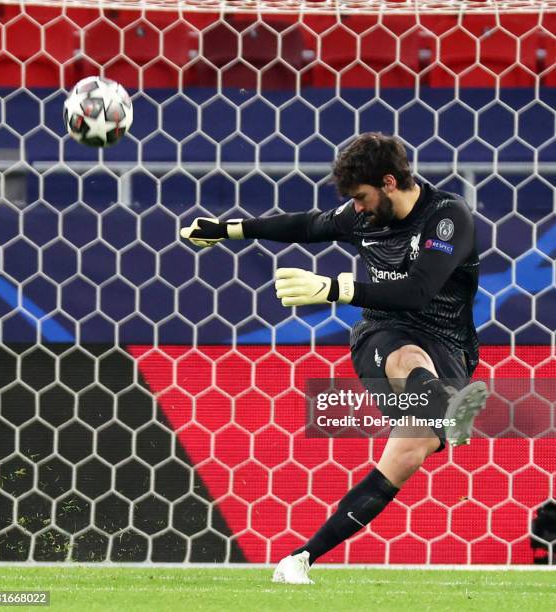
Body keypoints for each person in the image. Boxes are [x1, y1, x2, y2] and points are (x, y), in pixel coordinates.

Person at [180, 132, 488, 584]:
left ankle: (298, 559)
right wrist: (229, 229)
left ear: (388, 182)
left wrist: (334, 289)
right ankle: (445, 408)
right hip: (383, 336)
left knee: (406, 456)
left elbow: (419, 291)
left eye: (361, 198)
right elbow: (309, 226)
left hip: (450, 346)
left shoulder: (446, 218)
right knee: (406, 358)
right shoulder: (364, 217)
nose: (356, 208)